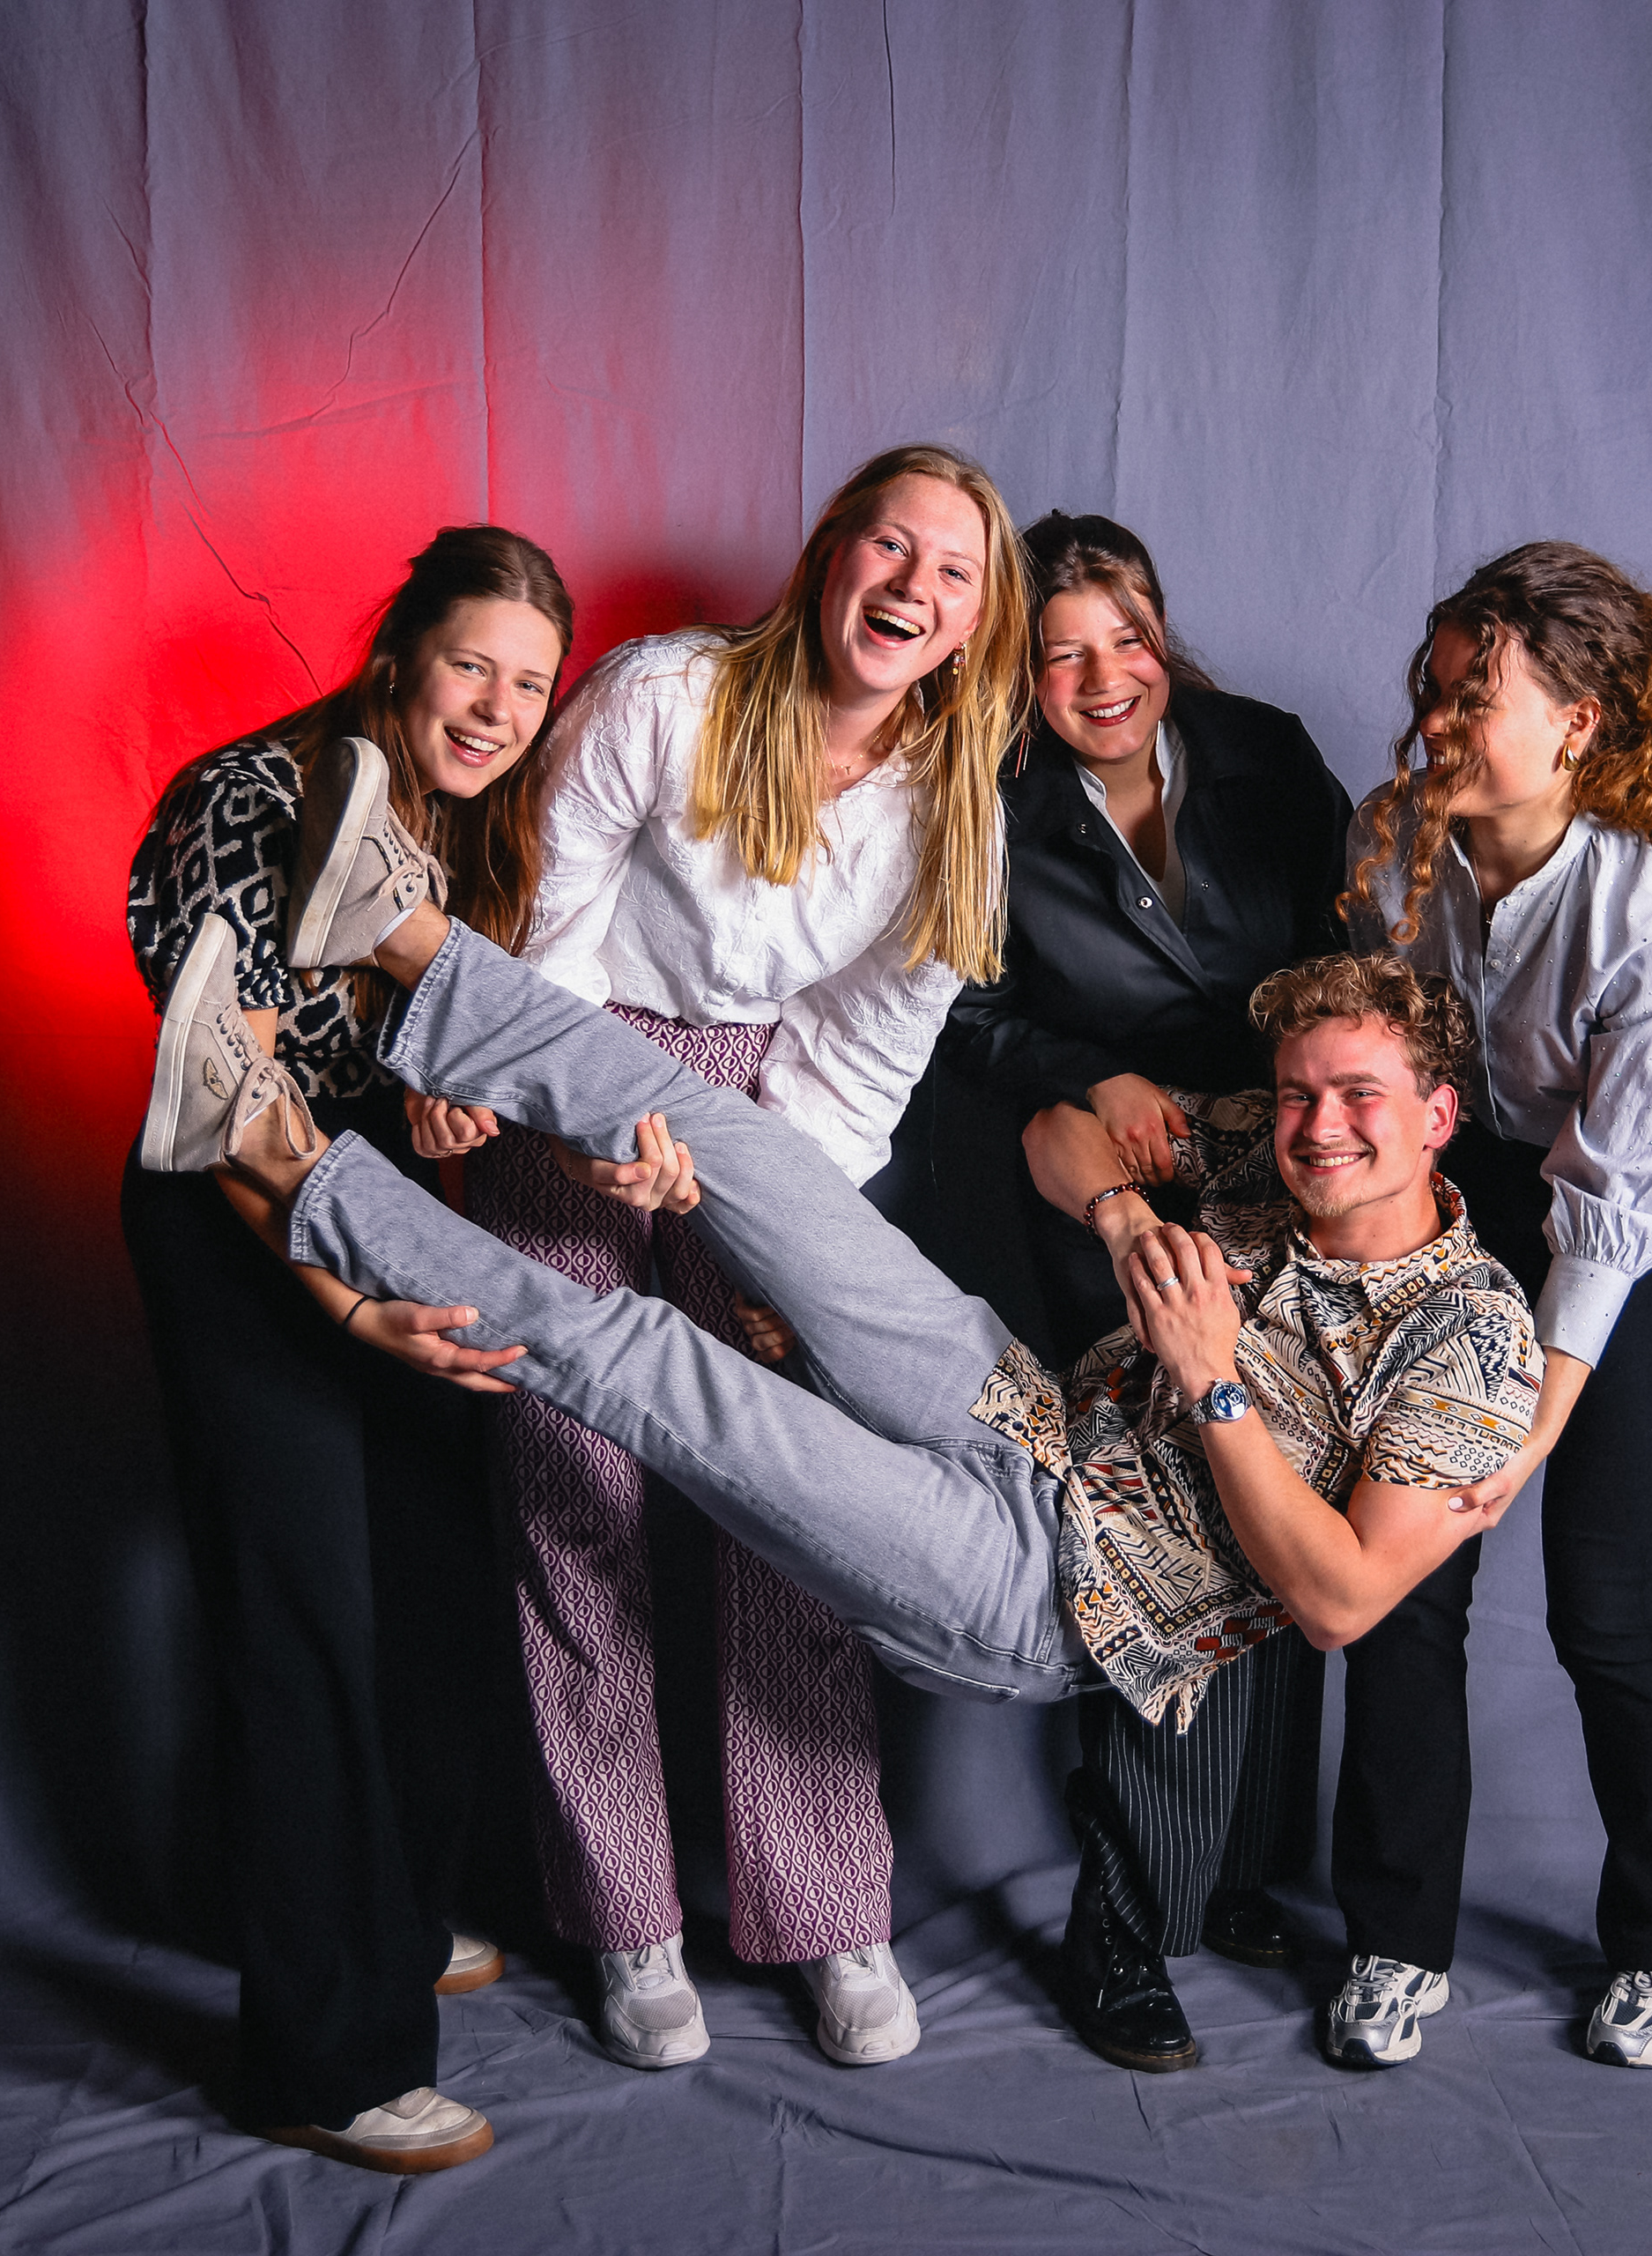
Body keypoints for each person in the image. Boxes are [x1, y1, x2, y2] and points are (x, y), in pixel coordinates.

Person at [133, 849, 1554, 2069]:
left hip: (1041, 1587)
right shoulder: (1271, 1152)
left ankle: (282, 1157)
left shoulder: (1473, 1341)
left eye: (1359, 1099)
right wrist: (1126, 1217)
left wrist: (1212, 1378)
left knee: (658, 1365)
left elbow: (1341, 1600)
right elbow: (1061, 1133)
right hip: (1023, 1415)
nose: (1318, 1127)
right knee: (735, 1145)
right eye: (1299, 1095)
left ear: (1437, 1118)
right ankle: (399, 935)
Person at [435, 445, 1028, 2074]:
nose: (913, 587)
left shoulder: (954, 808)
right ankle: (628, 1921)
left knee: (796, 1499)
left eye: (953, 572)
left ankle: (827, 1907)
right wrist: (577, 1114)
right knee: (574, 1496)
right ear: (831, 553)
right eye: (890, 547)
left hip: (776, 1112)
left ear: (976, 621)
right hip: (572, 1055)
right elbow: (543, 906)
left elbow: (871, 1040)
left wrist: (781, 1232)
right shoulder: (665, 693)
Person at [119, 525, 574, 2175]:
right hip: (243, 1220)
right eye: (472, 666)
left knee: (438, 1583)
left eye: (530, 685)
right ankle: (324, 2054)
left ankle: (387, 1914)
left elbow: (383, 1054)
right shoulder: (254, 797)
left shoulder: (456, 822)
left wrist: (435, 1103)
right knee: (307, 1625)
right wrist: (344, 1302)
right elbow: (230, 1098)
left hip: (371, 1199)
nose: (499, 709)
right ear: (399, 655)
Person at [1340, 539, 1652, 2074]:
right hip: (1460, 1204)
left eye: (1473, 697)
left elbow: (1608, 1216)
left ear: (1578, 725)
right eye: (1434, 689)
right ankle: (1395, 1935)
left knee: (1601, 1606)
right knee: (1406, 1583)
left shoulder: (1644, 921)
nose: (1434, 723)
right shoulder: (1394, 848)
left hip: (1624, 1226)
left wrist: (1527, 1434)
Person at [938, 512, 1353, 2073]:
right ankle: (1117, 1921)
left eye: (1127, 639)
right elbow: (961, 1010)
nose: (1104, 678)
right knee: (1152, 1530)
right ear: (1021, 674)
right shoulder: (986, 795)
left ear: (1165, 633)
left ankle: (1237, 1870)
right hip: (1109, 1188)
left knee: (1289, 1501)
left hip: (1293, 1179)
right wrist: (1089, 1071)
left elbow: (1351, 949)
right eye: (1061, 655)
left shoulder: (1267, 750)